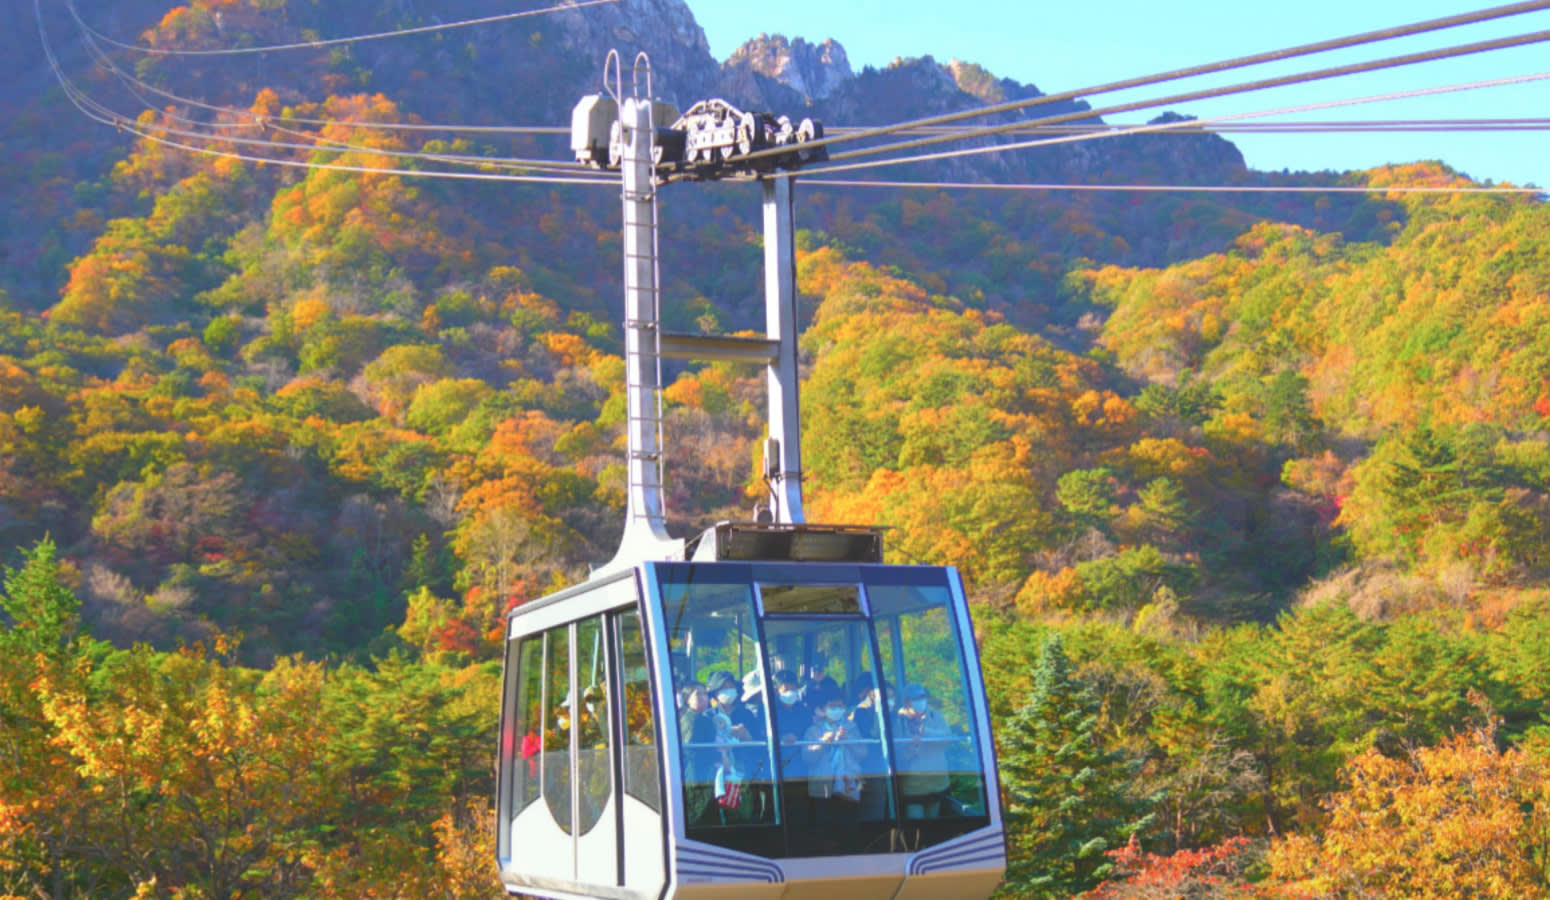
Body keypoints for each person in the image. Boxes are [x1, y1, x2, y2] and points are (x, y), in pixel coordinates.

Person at [802, 693, 867, 848]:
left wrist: (848, 740)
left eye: (840, 706)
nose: (837, 709)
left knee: (849, 827)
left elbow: (863, 753)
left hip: (848, 784)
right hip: (823, 785)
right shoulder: (813, 730)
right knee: (825, 828)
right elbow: (807, 757)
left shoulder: (852, 727)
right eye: (832, 706)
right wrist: (823, 742)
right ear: (823, 709)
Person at [895, 684, 952, 819]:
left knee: (932, 826)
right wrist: (911, 747)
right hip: (913, 786)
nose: (921, 702)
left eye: (922, 697)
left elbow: (948, 738)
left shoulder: (935, 716)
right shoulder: (899, 721)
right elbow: (898, 753)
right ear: (907, 702)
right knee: (916, 828)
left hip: (937, 783)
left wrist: (926, 732)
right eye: (916, 699)